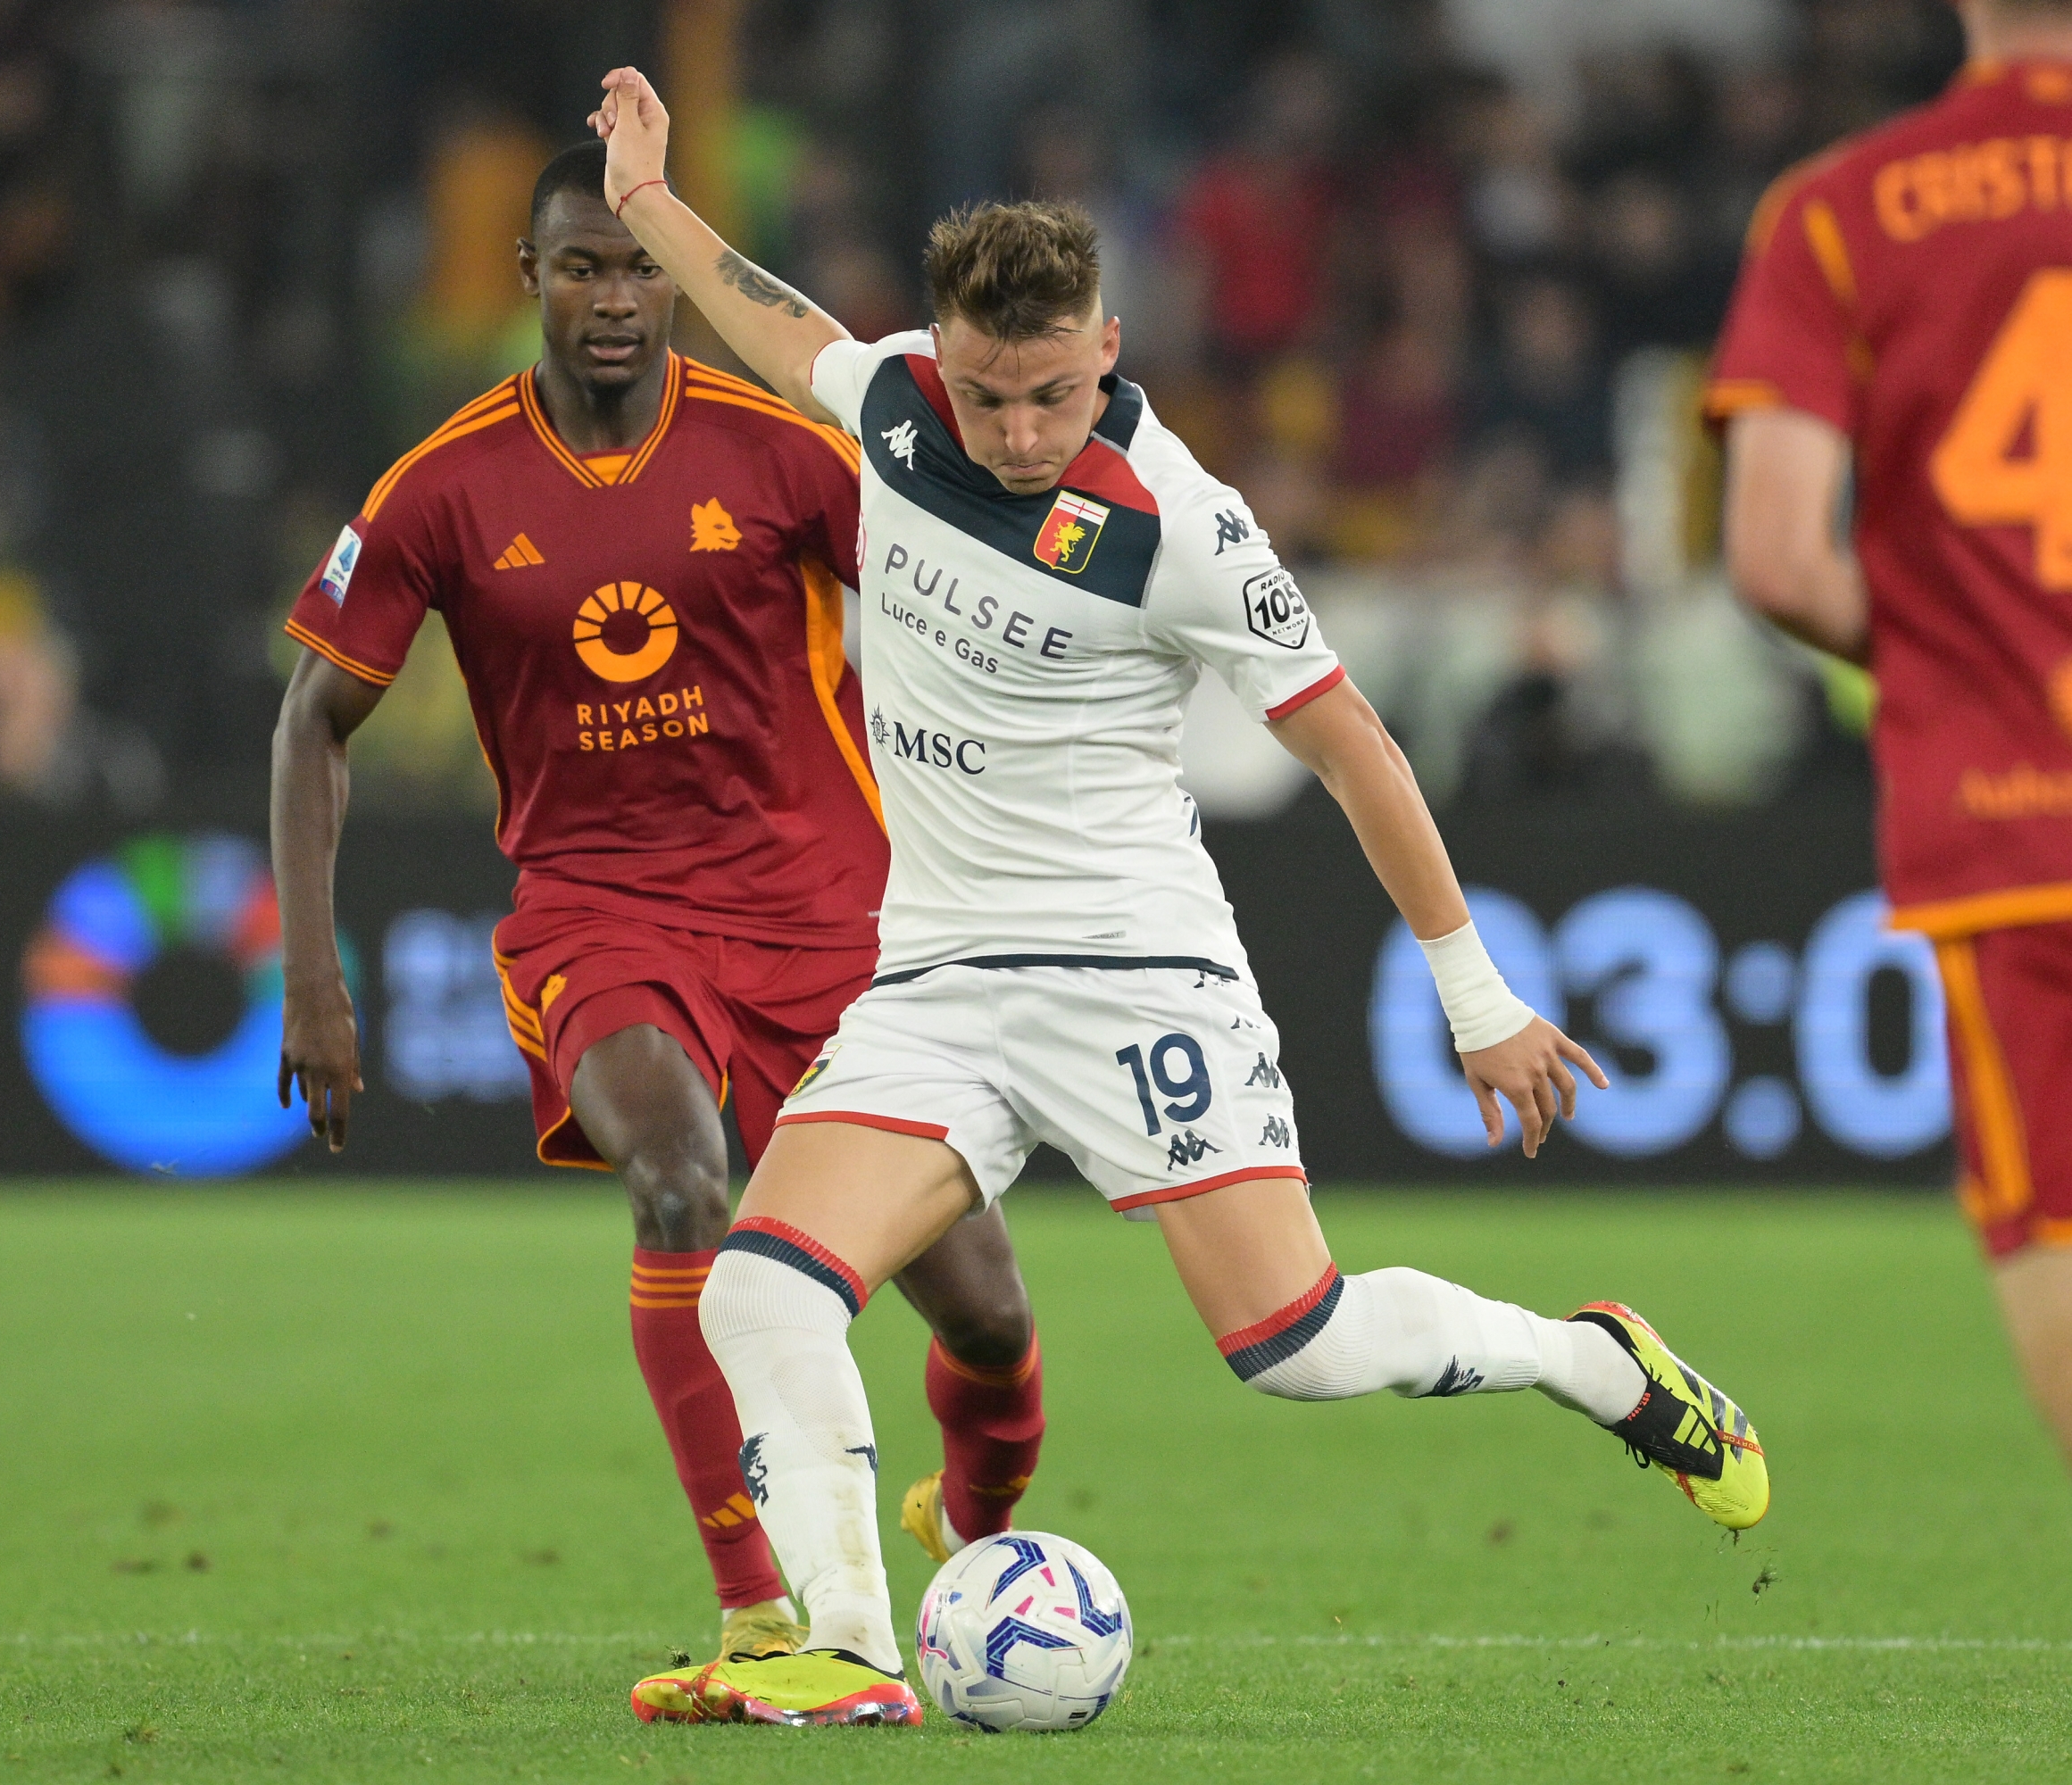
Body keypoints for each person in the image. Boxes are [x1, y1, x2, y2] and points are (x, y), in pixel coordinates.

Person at [583, 68, 1769, 1730]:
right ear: (942, 357)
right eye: (989, 396)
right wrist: (643, 199)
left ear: (1111, 349)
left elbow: (1358, 749)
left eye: (1053, 397)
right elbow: (768, 317)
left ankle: (1594, 1361)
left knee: (1298, 1343)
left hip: (1138, 978)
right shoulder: (895, 406)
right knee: (757, 1289)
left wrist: (1479, 998)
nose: (1013, 433)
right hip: (935, 984)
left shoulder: (1188, 528)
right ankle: (849, 1642)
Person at [270, 145, 1051, 1665]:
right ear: (531, 281)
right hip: (601, 914)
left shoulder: (781, 452)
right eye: (583, 268)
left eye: (640, 268)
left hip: (829, 920)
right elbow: (313, 725)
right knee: (684, 1185)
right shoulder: (443, 487)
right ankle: (757, 1604)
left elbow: (960, 600)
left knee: (991, 1321)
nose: (617, 301)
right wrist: (315, 977)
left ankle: (975, 1523)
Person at [1713, 0, 2072, 1469]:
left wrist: (1945, 662)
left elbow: (1783, 557)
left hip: (2007, 806)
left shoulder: (1842, 213)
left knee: (2052, 1213)